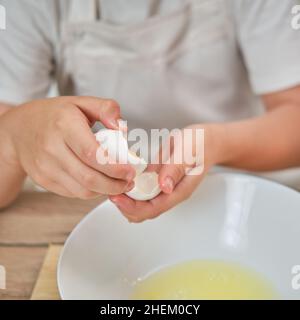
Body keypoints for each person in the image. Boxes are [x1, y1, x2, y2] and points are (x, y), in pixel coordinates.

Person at [0, 0, 300, 222]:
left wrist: (216, 143)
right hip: (98, 208)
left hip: (244, 195)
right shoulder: (26, 7)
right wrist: (15, 135)